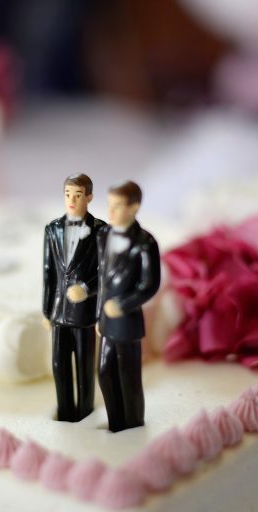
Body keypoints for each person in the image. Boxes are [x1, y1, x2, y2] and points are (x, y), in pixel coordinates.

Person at [96, 181, 161, 433]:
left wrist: (123, 305)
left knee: (128, 377)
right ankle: (115, 423)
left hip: (127, 323)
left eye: (118, 206)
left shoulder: (145, 243)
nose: (110, 212)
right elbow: (102, 280)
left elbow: (150, 284)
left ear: (134, 208)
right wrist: (99, 316)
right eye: (109, 205)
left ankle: (132, 426)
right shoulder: (103, 235)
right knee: (104, 372)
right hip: (106, 322)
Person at [42, 174, 105, 422]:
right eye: (68, 194)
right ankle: (66, 413)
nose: (71, 200)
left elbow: (106, 272)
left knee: (84, 367)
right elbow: (48, 273)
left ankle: (85, 413)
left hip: (85, 314)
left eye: (77, 195)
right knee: (59, 365)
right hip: (59, 311)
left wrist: (87, 289)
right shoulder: (53, 229)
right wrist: (46, 310)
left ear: (89, 197)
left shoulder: (101, 230)